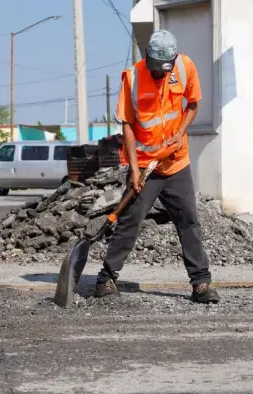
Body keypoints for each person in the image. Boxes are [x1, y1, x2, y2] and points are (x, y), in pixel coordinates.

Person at [94, 29, 220, 304]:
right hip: (145, 166)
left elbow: (193, 103)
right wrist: (134, 168)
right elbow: (126, 123)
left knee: (189, 222)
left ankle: (201, 284)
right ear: (147, 58)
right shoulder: (133, 78)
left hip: (176, 163)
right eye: (155, 69)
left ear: (172, 60)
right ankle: (106, 279)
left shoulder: (184, 67)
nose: (159, 75)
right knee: (130, 222)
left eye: (164, 70)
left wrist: (181, 132)